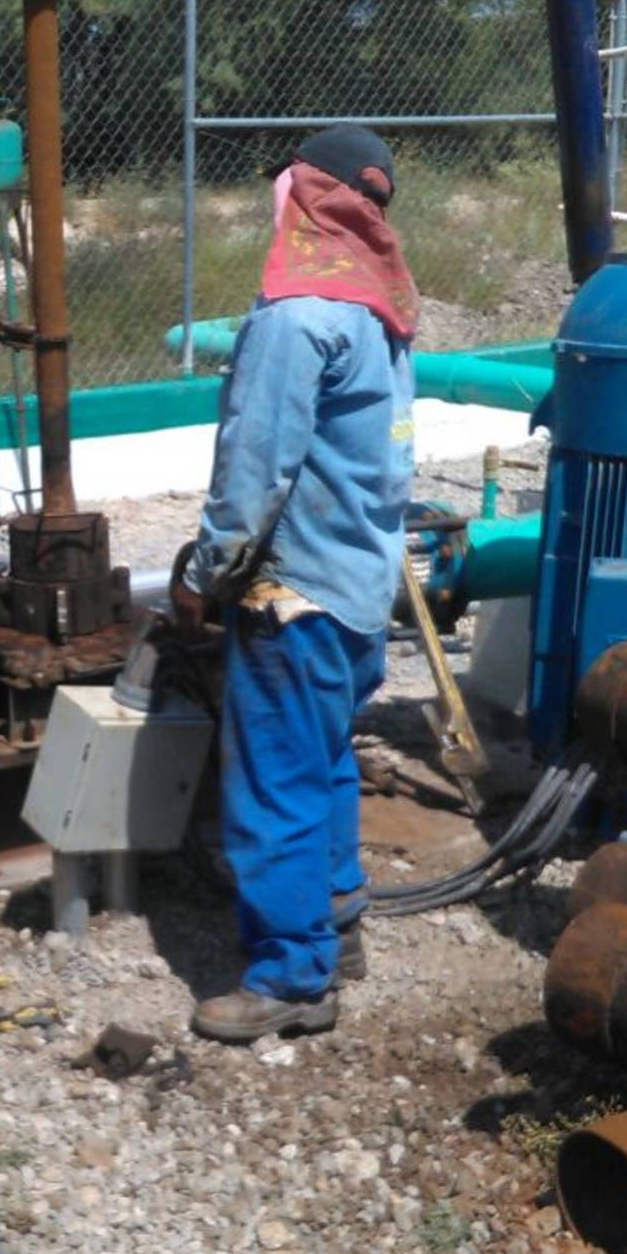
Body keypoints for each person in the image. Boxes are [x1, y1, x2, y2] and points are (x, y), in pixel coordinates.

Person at [172, 122, 418, 1045]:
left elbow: (254, 470)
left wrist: (207, 574)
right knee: (325, 761)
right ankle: (337, 918)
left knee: (275, 783)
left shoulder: (295, 316)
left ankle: (292, 975)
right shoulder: (379, 308)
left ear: (303, 200)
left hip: (294, 592)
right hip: (358, 583)